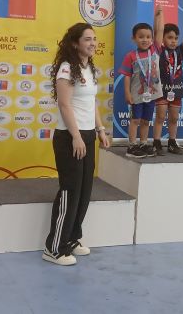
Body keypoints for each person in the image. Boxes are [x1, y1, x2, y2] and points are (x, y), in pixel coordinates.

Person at [43, 23, 110, 266]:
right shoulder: (66, 68)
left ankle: (71, 238)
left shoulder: (88, 67)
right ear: (75, 43)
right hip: (70, 137)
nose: (93, 43)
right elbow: (64, 104)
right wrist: (76, 136)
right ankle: (54, 248)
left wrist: (100, 130)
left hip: (87, 135)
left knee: (84, 191)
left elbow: (91, 103)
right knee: (70, 191)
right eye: (87, 39)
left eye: (94, 39)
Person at [152, 13, 183, 155]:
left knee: (174, 118)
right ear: (163, 38)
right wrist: (159, 16)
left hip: (177, 90)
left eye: (175, 38)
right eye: (170, 37)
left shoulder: (180, 51)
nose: (173, 41)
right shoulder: (158, 50)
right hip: (161, 90)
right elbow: (158, 31)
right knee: (160, 116)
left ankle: (172, 142)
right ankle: (156, 142)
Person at [119, 6, 164, 158]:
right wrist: (127, 93)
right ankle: (132, 146)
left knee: (146, 120)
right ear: (134, 38)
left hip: (151, 94)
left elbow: (160, 31)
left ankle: (143, 143)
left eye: (148, 37)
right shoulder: (130, 56)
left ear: (152, 39)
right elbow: (126, 75)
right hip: (137, 95)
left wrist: (158, 16)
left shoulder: (155, 49)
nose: (145, 39)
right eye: (141, 37)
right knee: (135, 119)